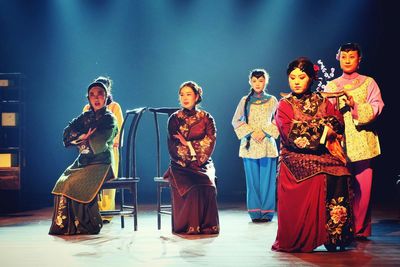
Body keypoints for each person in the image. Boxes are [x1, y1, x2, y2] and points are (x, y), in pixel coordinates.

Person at [271, 57, 353, 252]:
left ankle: (335, 237)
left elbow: (337, 123)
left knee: (340, 172)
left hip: (324, 155)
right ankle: (301, 238)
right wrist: (323, 128)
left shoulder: (323, 101)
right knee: (316, 175)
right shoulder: (284, 105)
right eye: (292, 77)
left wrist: (316, 127)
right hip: (294, 157)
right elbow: (291, 133)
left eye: (302, 77)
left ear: (311, 78)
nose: (296, 81)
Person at [325, 43, 384, 239]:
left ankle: (359, 228)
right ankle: (341, 226)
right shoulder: (332, 86)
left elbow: (377, 107)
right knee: (341, 186)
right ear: (338, 58)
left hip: (363, 140)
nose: (348, 60)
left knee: (363, 187)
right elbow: (327, 112)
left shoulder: (369, 83)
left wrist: (355, 106)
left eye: (352, 56)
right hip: (340, 142)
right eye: (344, 56)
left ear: (359, 60)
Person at [49, 80, 118, 235]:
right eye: (92, 95)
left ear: (106, 97)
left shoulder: (109, 118)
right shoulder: (85, 116)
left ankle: (87, 224)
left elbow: (99, 141)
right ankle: (66, 225)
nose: (96, 98)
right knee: (62, 183)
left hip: (101, 163)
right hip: (83, 162)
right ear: (88, 98)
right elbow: (67, 132)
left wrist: (81, 138)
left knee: (73, 183)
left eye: (100, 94)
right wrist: (82, 136)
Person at [163, 81, 219, 235]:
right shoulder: (174, 119)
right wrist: (188, 154)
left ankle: (208, 226)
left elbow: (210, 140)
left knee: (208, 185)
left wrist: (187, 143)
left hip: (202, 162)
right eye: (182, 95)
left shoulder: (206, 117)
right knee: (192, 188)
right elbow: (173, 144)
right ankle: (188, 226)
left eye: (188, 94)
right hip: (181, 165)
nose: (185, 98)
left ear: (196, 96)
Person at [232, 69, 279, 222]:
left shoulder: (272, 100)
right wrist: (251, 133)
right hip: (250, 143)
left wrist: (265, 133)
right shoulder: (245, 100)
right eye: (254, 81)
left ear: (266, 81)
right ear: (250, 82)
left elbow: (278, 120)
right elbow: (236, 120)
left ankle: (266, 212)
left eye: (261, 80)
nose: (258, 84)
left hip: (267, 144)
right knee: (252, 181)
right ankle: (254, 212)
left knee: (267, 181)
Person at [83, 76, 123, 223]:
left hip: (109, 148)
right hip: (91, 150)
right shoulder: (88, 109)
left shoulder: (114, 107)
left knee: (108, 179)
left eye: (101, 91)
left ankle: (105, 213)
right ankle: (90, 210)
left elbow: (119, 131)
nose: (97, 97)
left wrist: (109, 143)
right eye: (93, 93)